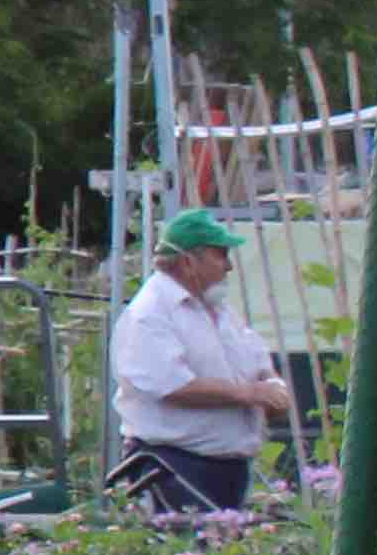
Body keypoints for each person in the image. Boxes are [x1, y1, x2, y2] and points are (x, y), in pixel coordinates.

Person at [110, 206, 286, 514]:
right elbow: (174, 387)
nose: (229, 266)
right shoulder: (150, 314)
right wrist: (253, 394)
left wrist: (273, 389)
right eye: (220, 255)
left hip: (227, 468)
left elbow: (258, 363)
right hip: (173, 466)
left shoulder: (221, 312)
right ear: (189, 261)